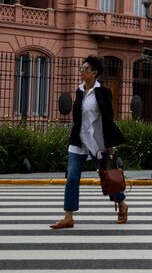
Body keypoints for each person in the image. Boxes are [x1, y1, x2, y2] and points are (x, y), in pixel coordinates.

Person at [51, 55, 128, 229]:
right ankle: (68, 216)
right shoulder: (79, 91)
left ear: (94, 73)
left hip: (97, 142)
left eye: (85, 69)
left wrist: (110, 145)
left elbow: (109, 119)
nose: (81, 71)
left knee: (106, 177)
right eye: (81, 68)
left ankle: (122, 204)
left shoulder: (103, 92)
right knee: (72, 176)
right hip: (79, 140)